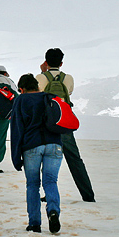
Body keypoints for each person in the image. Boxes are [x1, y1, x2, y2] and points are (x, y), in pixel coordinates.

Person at [35, 48, 96, 202]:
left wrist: (43, 73)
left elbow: (37, 93)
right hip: (64, 123)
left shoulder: (40, 78)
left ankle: (49, 194)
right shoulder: (68, 78)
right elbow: (69, 92)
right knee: (75, 159)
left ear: (46, 62)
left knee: (48, 158)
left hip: (46, 124)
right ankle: (88, 195)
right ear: (61, 63)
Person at [10, 73, 63, 233]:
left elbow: (17, 129)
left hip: (32, 146)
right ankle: (53, 211)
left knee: (33, 184)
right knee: (50, 181)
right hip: (54, 144)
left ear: (22, 89)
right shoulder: (50, 97)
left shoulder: (21, 100)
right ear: (37, 86)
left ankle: (34, 223)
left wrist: (16, 157)